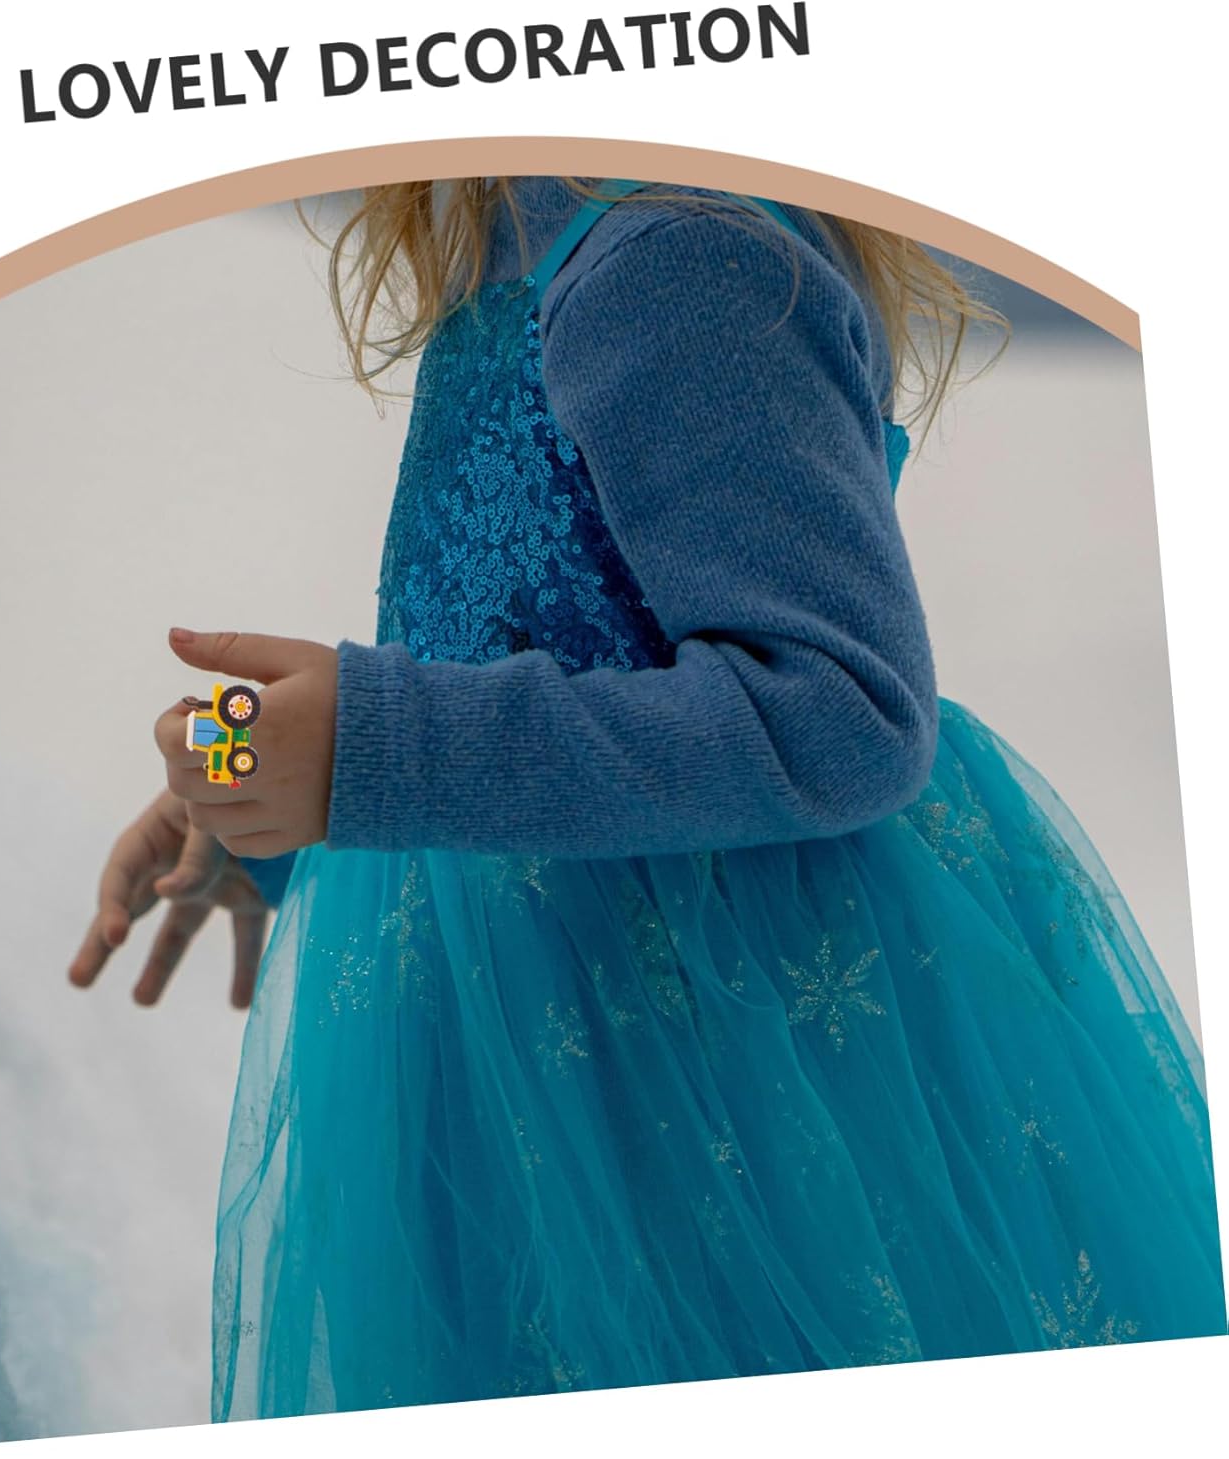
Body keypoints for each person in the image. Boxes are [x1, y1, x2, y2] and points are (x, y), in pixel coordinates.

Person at [69, 178, 1226, 1418]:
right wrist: (269, 793)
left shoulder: (674, 255)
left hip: (714, 1081)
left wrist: (383, 748)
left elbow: (843, 708)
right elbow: (503, 642)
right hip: (538, 1065)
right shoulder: (522, 234)